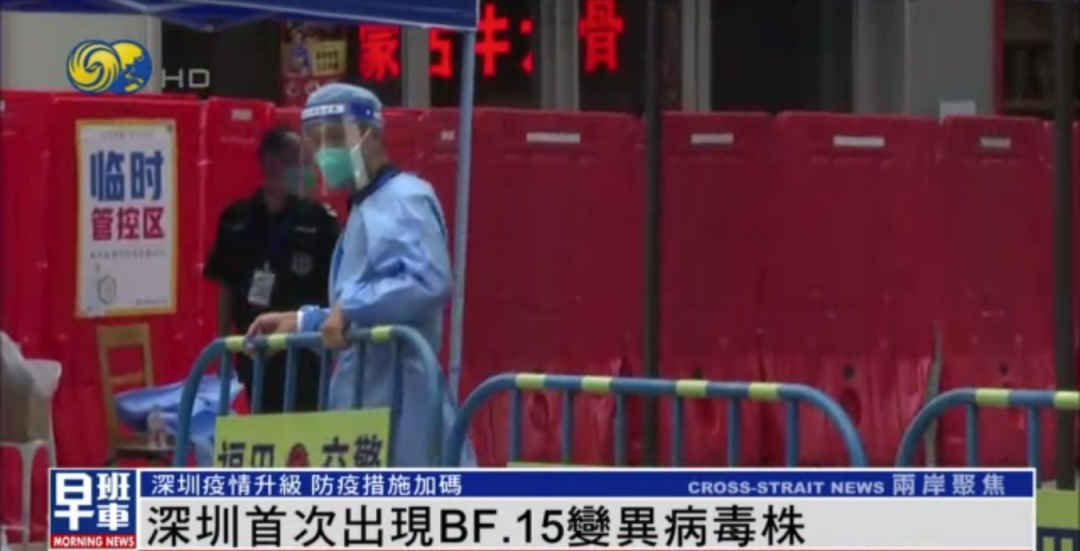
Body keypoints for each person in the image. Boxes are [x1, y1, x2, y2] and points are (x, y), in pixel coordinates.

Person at [246, 84, 475, 467]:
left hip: (404, 403)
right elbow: (367, 308)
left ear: (374, 135)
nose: (327, 152)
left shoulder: (404, 199)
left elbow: (425, 280)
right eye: (317, 142)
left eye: (337, 138)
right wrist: (302, 321)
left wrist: (348, 307)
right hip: (366, 404)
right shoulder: (364, 209)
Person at [203, 126, 339, 414]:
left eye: (305, 162)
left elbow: (336, 286)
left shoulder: (319, 221)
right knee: (261, 425)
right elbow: (226, 284)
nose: (304, 170)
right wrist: (223, 344)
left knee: (303, 428)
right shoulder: (236, 219)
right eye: (297, 161)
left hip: (304, 351)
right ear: (271, 163)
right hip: (253, 347)